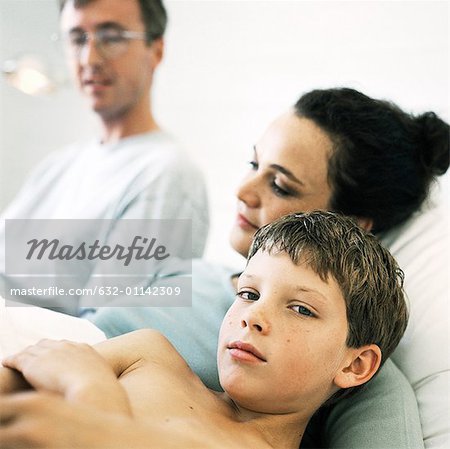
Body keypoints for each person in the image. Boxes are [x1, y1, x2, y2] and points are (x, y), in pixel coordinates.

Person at [0, 87, 447, 448]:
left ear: (350, 224)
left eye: (280, 184)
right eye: (249, 293)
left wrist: (91, 396)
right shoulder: (169, 320)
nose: (243, 190)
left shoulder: (365, 382)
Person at [0, 212, 410, 449]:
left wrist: (90, 389)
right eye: (249, 293)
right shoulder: (148, 354)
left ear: (356, 364)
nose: (253, 317)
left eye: (300, 309)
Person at [0, 0, 209, 314]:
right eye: (76, 38)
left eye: (111, 38)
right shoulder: (57, 166)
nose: (89, 58)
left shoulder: (167, 177)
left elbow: (104, 335)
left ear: (156, 50)